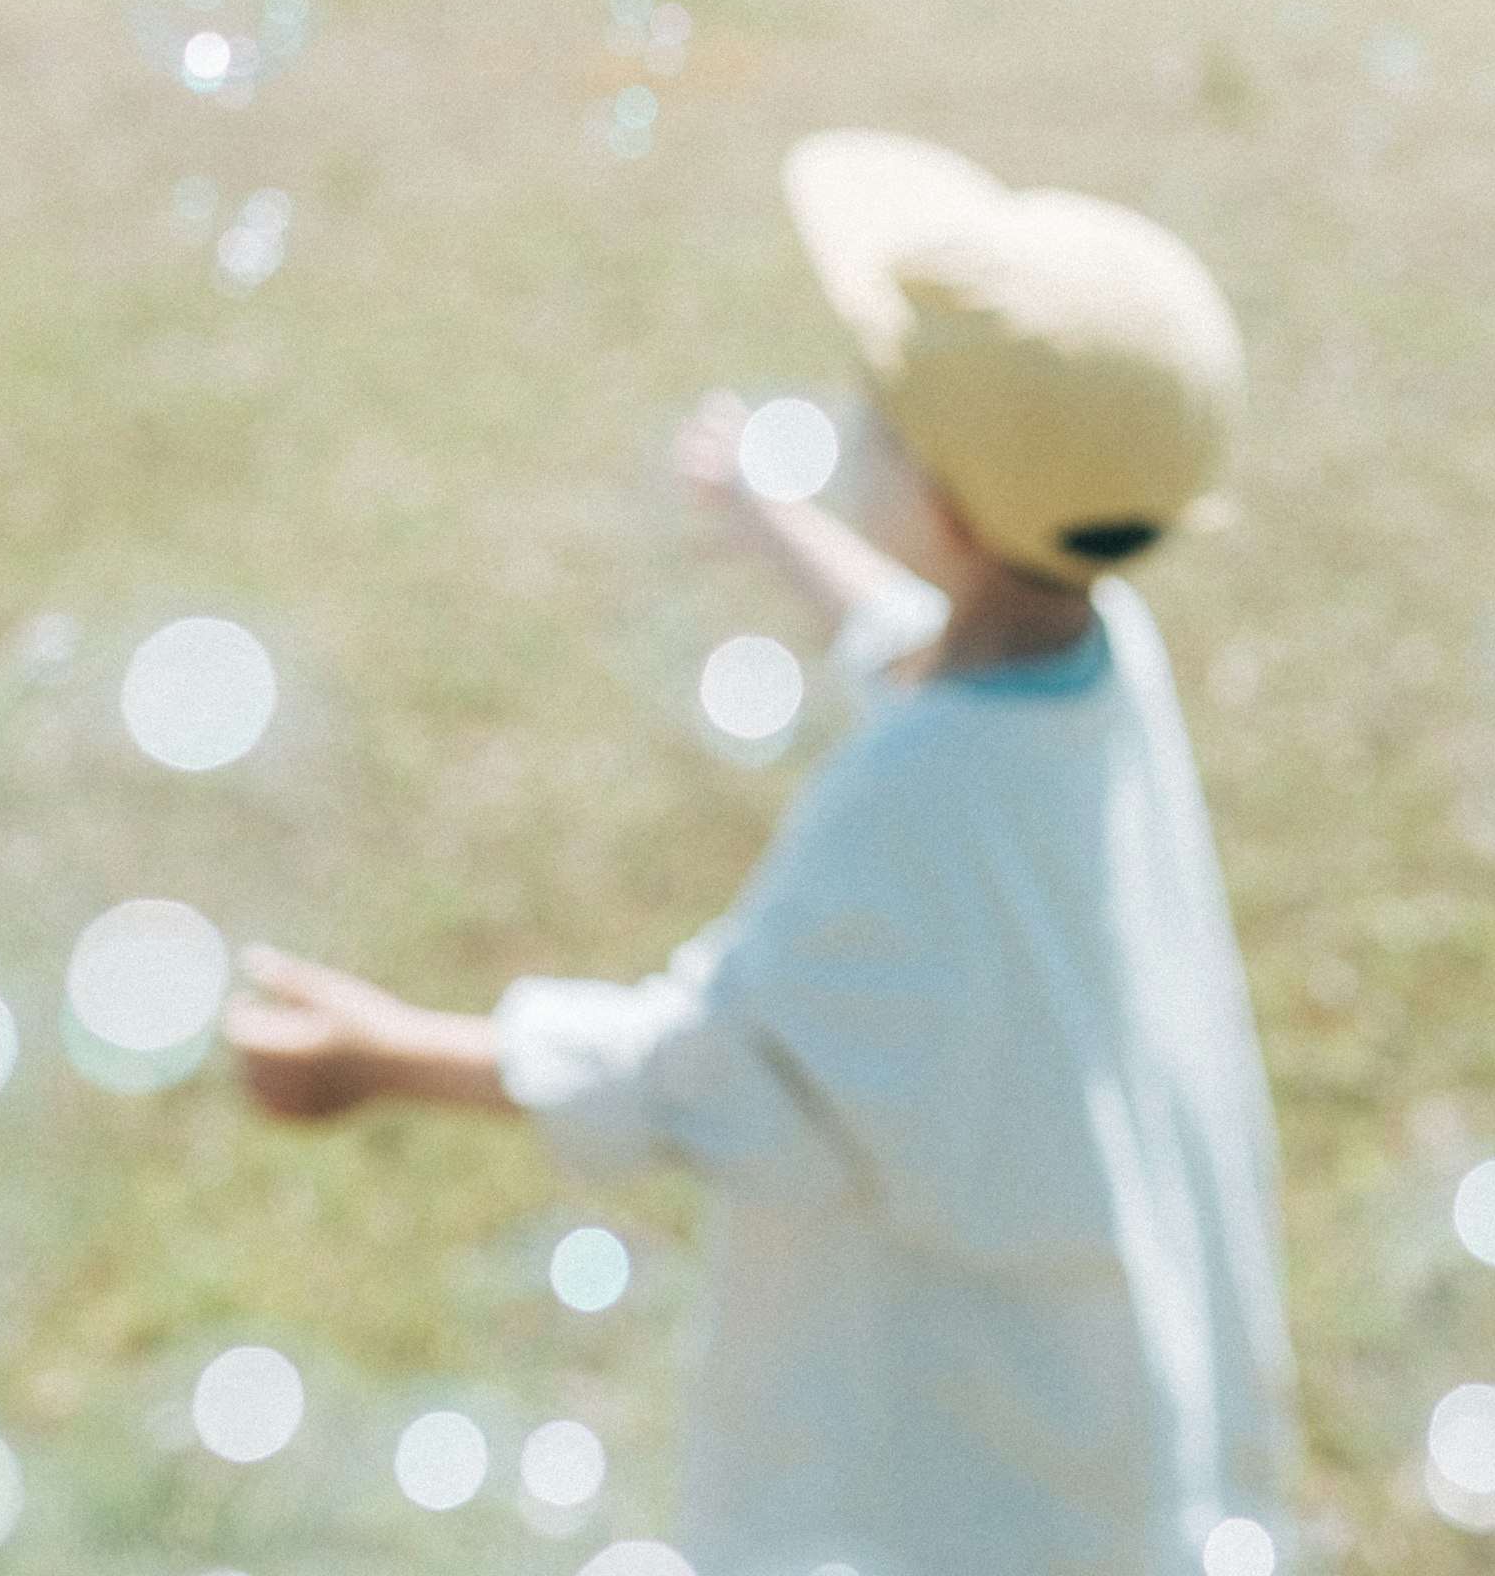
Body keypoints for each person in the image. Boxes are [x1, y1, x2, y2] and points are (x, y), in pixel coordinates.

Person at [226, 128, 1298, 1576]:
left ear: (951, 509)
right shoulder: (1103, 658)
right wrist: (780, 534)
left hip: (953, 1429)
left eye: (881, 412)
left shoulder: (912, 805)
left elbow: (712, 1065)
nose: (854, 422)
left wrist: (384, 1056)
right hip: (1079, 1342)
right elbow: (933, 651)